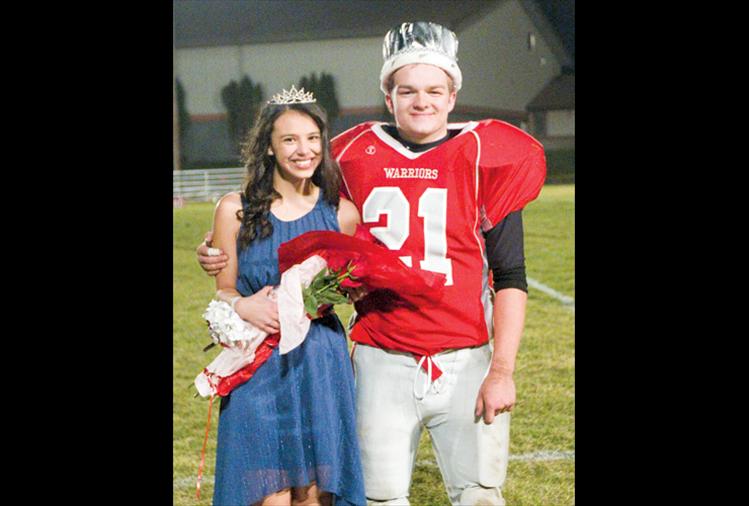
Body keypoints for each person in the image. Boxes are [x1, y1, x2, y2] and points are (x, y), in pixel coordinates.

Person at [197, 22, 546, 506]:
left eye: (433, 90)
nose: (421, 101)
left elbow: (510, 275)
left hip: (465, 354)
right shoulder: (351, 154)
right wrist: (218, 247)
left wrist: (503, 369)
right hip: (380, 355)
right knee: (378, 497)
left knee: (481, 494)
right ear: (388, 95)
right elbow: (287, 205)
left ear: (452, 95)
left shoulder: (488, 154)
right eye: (408, 90)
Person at [205, 87, 366, 506]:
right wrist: (243, 304)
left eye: (312, 138)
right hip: (259, 366)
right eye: (290, 139)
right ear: (270, 148)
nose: (303, 149)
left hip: (320, 363)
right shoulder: (234, 211)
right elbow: (222, 290)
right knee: (268, 493)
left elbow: (351, 285)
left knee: (314, 495)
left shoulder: (342, 214)